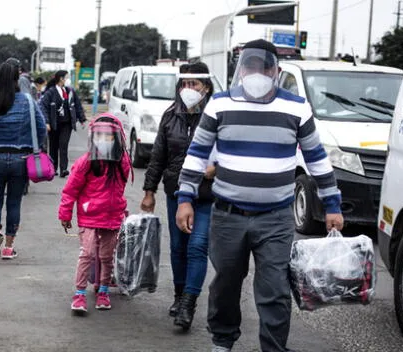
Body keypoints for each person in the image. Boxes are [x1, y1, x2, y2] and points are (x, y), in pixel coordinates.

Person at [175, 39, 344, 352]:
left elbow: (316, 158)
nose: (256, 73)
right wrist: (185, 198)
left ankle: (273, 347)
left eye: (263, 67)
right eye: (249, 66)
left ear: (275, 70)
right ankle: (222, 341)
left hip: (276, 219)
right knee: (225, 282)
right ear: (241, 70)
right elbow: (197, 154)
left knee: (275, 290)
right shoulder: (220, 104)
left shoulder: (296, 107)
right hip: (228, 215)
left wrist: (331, 203)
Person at [141, 63, 216, 331]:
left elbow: (232, 152)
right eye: (184, 84)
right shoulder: (170, 115)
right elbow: (158, 156)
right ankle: (178, 295)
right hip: (175, 190)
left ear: (206, 87)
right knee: (178, 248)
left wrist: (215, 169)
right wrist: (149, 191)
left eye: (194, 84)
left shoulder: (218, 115)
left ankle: (188, 303)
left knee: (197, 246)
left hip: (206, 195)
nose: (188, 89)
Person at [0, 60, 47, 260]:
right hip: (20, 159)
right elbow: (41, 129)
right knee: (14, 202)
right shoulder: (28, 101)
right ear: (17, 78)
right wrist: (34, 148)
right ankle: (8, 248)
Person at [58, 114, 131, 313]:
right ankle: (80, 294)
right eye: (100, 137)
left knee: (107, 257)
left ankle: (103, 292)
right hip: (89, 216)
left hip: (111, 216)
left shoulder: (121, 162)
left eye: (109, 137)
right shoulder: (86, 162)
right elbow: (70, 189)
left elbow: (120, 187)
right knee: (87, 254)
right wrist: (65, 214)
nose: (104, 141)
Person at [41, 70, 87, 177]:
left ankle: (63, 169)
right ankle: (53, 168)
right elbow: (43, 107)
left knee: (63, 145)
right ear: (61, 78)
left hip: (67, 124)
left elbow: (77, 105)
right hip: (54, 124)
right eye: (66, 77)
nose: (67, 79)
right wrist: (46, 122)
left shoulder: (70, 91)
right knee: (53, 146)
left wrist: (82, 119)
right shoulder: (50, 92)